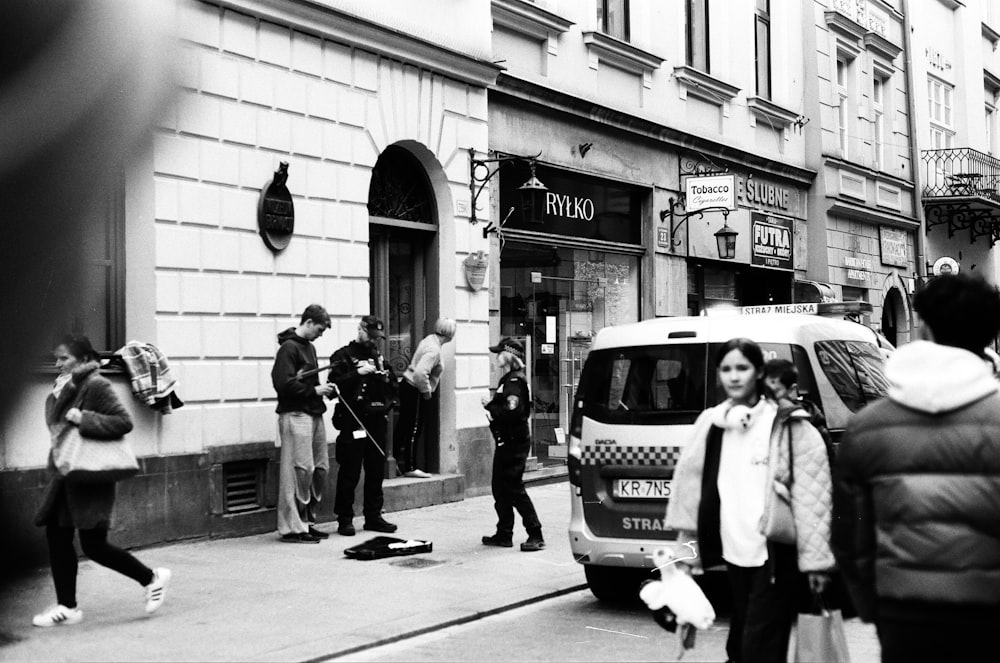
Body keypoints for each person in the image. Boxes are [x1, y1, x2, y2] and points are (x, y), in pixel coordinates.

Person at [832, 273, 1000, 663]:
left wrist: (873, 605)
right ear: (988, 336)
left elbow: (846, 527)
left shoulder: (865, 427)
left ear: (923, 328)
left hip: (904, 611)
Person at [665, 338, 835, 663]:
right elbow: (692, 494)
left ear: (758, 372)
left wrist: (817, 563)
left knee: (760, 646)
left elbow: (813, 498)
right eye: (726, 369)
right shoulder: (712, 424)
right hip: (732, 550)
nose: (734, 376)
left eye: (742, 368)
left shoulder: (788, 424)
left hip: (774, 554)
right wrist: (684, 553)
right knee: (743, 643)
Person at [32, 335, 170, 627]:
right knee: (57, 538)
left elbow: (123, 422)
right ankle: (67, 607)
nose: (57, 364)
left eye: (63, 359)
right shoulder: (64, 386)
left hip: (90, 478)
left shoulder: (96, 384)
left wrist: (84, 418)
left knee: (94, 545)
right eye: (56, 359)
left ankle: (152, 578)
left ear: (82, 359)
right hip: (65, 475)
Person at [328, 315, 399, 536]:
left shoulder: (378, 357)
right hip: (353, 420)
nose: (373, 341)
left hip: (377, 420)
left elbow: (393, 386)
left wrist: (385, 377)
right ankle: (345, 518)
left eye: (377, 338)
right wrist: (356, 373)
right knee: (349, 470)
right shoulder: (343, 356)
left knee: (376, 470)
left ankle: (373, 516)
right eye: (370, 335)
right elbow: (333, 386)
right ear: (360, 330)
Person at [272, 304, 335, 543]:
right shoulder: (288, 348)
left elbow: (306, 384)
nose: (321, 334)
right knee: (298, 469)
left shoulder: (310, 347)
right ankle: (291, 527)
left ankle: (306, 522)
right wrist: (314, 390)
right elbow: (282, 384)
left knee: (320, 468)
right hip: (295, 414)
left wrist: (323, 391)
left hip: (312, 412)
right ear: (308, 322)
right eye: (319, 329)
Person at [480, 338, 545, 552]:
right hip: (507, 440)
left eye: (499, 353)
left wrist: (490, 407)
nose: (496, 356)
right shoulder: (508, 379)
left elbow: (512, 412)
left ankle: (535, 533)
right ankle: (504, 533)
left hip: (514, 442)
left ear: (508, 356)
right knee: (500, 488)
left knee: (514, 487)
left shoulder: (514, 382)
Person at [393, 318, 457, 479]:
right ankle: (410, 466)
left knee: (404, 426)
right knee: (414, 427)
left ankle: (394, 459)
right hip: (415, 389)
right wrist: (427, 391)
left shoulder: (429, 340)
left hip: (408, 386)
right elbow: (420, 373)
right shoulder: (434, 350)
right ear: (450, 334)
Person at [762, 358, 834, 465]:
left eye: (776, 391)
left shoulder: (811, 422)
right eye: (765, 390)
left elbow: (827, 464)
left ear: (791, 389)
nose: (769, 397)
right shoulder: (752, 417)